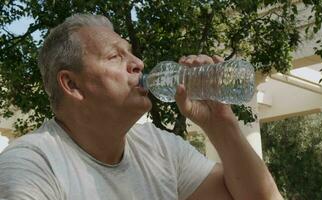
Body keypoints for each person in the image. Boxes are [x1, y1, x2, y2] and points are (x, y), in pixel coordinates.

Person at [0, 14, 282, 200]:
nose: (138, 63)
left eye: (131, 52)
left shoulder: (160, 149)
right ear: (72, 85)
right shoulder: (32, 165)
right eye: (114, 56)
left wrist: (220, 123)